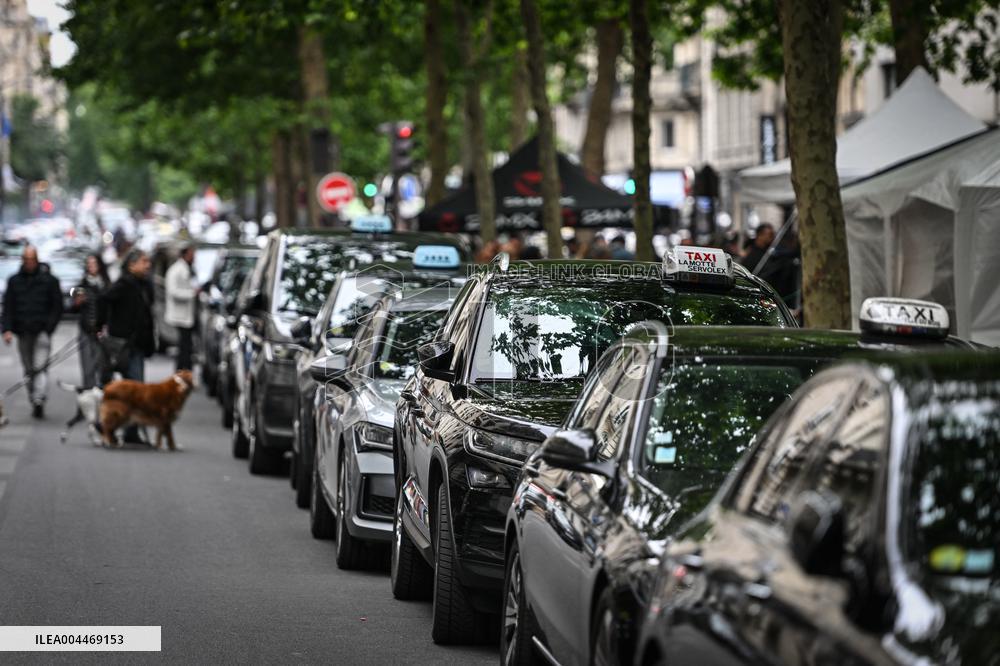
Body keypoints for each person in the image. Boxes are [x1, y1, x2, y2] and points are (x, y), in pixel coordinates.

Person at [1, 245, 63, 418]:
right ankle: (33, 395)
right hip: (23, 332)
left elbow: (57, 306)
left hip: (42, 331)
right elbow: (8, 307)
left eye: (32, 259)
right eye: (26, 259)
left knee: (39, 366)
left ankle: (39, 398)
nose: (29, 263)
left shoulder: (49, 280)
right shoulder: (14, 281)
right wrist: (6, 329)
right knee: (29, 369)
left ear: (36, 259)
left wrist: (49, 327)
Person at [100, 249, 155, 383]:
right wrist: (100, 325)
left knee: (135, 387)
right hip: (126, 344)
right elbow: (103, 300)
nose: (148, 265)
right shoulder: (124, 284)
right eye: (144, 261)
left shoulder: (145, 284)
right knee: (134, 387)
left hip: (139, 343)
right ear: (131, 265)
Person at [70, 253, 110, 389]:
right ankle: (88, 401)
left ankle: (102, 399)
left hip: (103, 332)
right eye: (89, 264)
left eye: (94, 264)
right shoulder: (82, 285)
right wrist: (77, 302)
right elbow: (72, 306)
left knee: (103, 367)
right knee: (88, 369)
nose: (91, 267)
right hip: (86, 331)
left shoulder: (107, 285)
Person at [165, 244, 197, 371]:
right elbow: (173, 291)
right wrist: (192, 293)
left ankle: (185, 371)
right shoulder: (176, 270)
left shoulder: (188, 268)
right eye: (192, 254)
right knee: (184, 347)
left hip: (186, 315)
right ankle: (181, 372)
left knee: (187, 347)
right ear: (185, 254)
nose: (194, 257)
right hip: (180, 315)